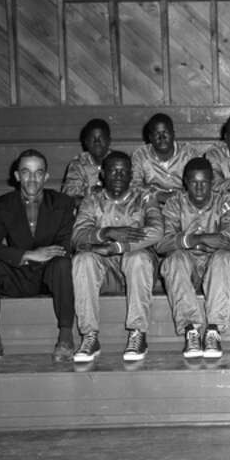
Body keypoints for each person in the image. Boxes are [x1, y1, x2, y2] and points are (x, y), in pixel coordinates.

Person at [0, 149, 76, 365]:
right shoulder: (2, 205)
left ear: (46, 177)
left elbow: (64, 245)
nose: (32, 179)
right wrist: (28, 255)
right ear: (17, 176)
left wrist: (43, 257)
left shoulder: (63, 203)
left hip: (51, 275)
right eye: (26, 172)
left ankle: (66, 338)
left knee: (63, 263)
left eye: (38, 173)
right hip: (18, 274)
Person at [71, 151, 163, 370]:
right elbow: (77, 236)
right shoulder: (92, 199)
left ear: (132, 174)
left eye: (124, 171)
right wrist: (107, 232)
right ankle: (90, 336)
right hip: (106, 273)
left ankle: (138, 333)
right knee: (82, 260)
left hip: (138, 269)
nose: (119, 175)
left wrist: (120, 246)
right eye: (113, 170)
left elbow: (157, 231)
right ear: (102, 174)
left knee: (137, 257)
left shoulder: (145, 196)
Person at [157, 157, 230, 359]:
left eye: (204, 182)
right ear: (185, 182)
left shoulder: (226, 201)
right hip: (188, 269)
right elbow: (163, 244)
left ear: (212, 182)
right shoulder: (175, 203)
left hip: (216, 269)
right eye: (194, 182)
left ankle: (213, 330)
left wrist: (186, 240)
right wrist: (198, 239)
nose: (200, 188)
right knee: (174, 259)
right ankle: (191, 329)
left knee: (223, 257)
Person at [130, 113, 198, 204]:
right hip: (152, 204)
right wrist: (159, 196)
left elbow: (198, 184)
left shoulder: (189, 154)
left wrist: (179, 197)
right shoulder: (140, 155)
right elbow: (134, 187)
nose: (162, 137)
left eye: (165, 132)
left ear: (173, 134)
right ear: (150, 137)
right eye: (157, 134)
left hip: (184, 204)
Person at [61, 118, 112, 207]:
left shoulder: (119, 162)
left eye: (101, 138)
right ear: (86, 142)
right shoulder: (77, 164)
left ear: (109, 141)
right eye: (93, 138)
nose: (97, 142)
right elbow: (69, 198)